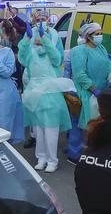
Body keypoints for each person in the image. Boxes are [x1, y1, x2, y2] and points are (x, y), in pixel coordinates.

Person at [18, 10, 72, 173]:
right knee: (38, 127)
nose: (39, 43)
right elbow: (22, 56)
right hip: (34, 92)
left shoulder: (51, 54)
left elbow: (58, 58)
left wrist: (47, 41)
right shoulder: (31, 54)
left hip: (50, 93)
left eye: (44, 19)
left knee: (50, 128)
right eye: (37, 19)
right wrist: (27, 39)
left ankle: (52, 160)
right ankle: (41, 157)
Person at [67, 23, 111, 164]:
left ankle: (92, 151)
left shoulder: (101, 48)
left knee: (96, 124)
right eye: (97, 34)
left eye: (101, 33)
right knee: (79, 124)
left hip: (101, 92)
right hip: (84, 92)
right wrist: (93, 88)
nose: (100, 36)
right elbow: (79, 74)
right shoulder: (79, 51)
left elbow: (107, 66)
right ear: (88, 36)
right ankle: (73, 154)